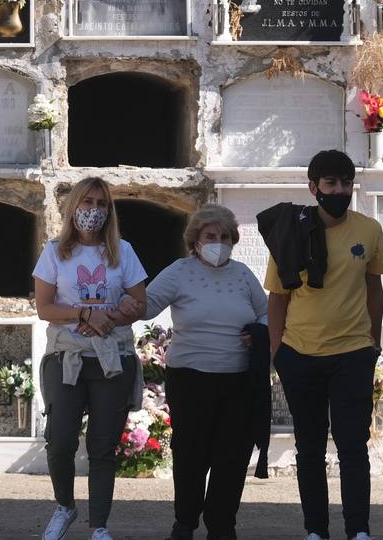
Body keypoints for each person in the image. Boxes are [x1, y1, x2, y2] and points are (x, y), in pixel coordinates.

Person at [116, 204, 266, 540]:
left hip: (238, 379)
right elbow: (147, 305)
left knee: (232, 455)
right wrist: (126, 302)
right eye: (210, 235)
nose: (218, 241)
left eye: (225, 236)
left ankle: (222, 525)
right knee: (192, 453)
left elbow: (268, 315)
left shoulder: (243, 274)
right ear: (195, 239)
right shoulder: (180, 271)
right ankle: (185, 522)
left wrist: (257, 331)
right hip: (190, 378)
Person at [258, 149, 383, 540]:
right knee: (309, 449)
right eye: (331, 183)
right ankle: (315, 530)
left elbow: (373, 288)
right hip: (300, 354)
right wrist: (278, 353)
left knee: (352, 447)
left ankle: (358, 530)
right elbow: (276, 298)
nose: (339, 190)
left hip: (352, 354)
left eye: (346, 183)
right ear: (313, 187)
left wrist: (373, 343)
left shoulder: (369, 230)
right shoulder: (288, 232)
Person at [33, 176, 148, 540]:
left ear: (109, 210)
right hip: (67, 357)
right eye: (87, 203)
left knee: (102, 446)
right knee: (61, 440)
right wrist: (84, 314)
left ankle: (99, 525)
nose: (93, 211)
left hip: (112, 357)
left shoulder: (123, 251)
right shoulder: (54, 251)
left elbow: (139, 304)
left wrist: (115, 314)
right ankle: (65, 506)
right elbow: (45, 307)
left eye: (101, 204)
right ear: (73, 208)